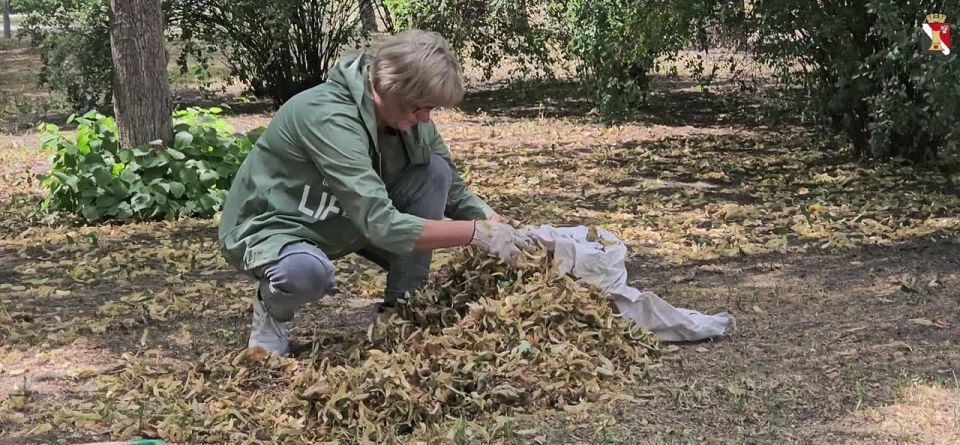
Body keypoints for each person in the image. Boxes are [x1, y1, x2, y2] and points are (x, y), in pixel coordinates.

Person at [217, 29, 529, 355]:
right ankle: (272, 314)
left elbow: (453, 190)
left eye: (431, 109)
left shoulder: (407, 114)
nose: (426, 118)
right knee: (305, 272)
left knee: (434, 171)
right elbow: (380, 223)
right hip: (280, 225)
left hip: (347, 218)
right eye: (420, 108)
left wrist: (494, 221)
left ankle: (403, 311)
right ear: (391, 89)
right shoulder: (328, 116)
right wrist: (477, 233)